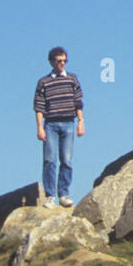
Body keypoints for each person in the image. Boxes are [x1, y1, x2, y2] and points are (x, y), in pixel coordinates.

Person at [33, 46, 84, 208]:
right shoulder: (44, 82)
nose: (62, 63)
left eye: (64, 60)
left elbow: (78, 102)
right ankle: (50, 196)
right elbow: (39, 106)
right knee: (49, 160)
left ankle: (63, 193)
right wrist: (39, 127)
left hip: (69, 123)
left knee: (66, 160)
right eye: (59, 60)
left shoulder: (72, 79)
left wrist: (81, 122)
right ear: (51, 62)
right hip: (51, 125)